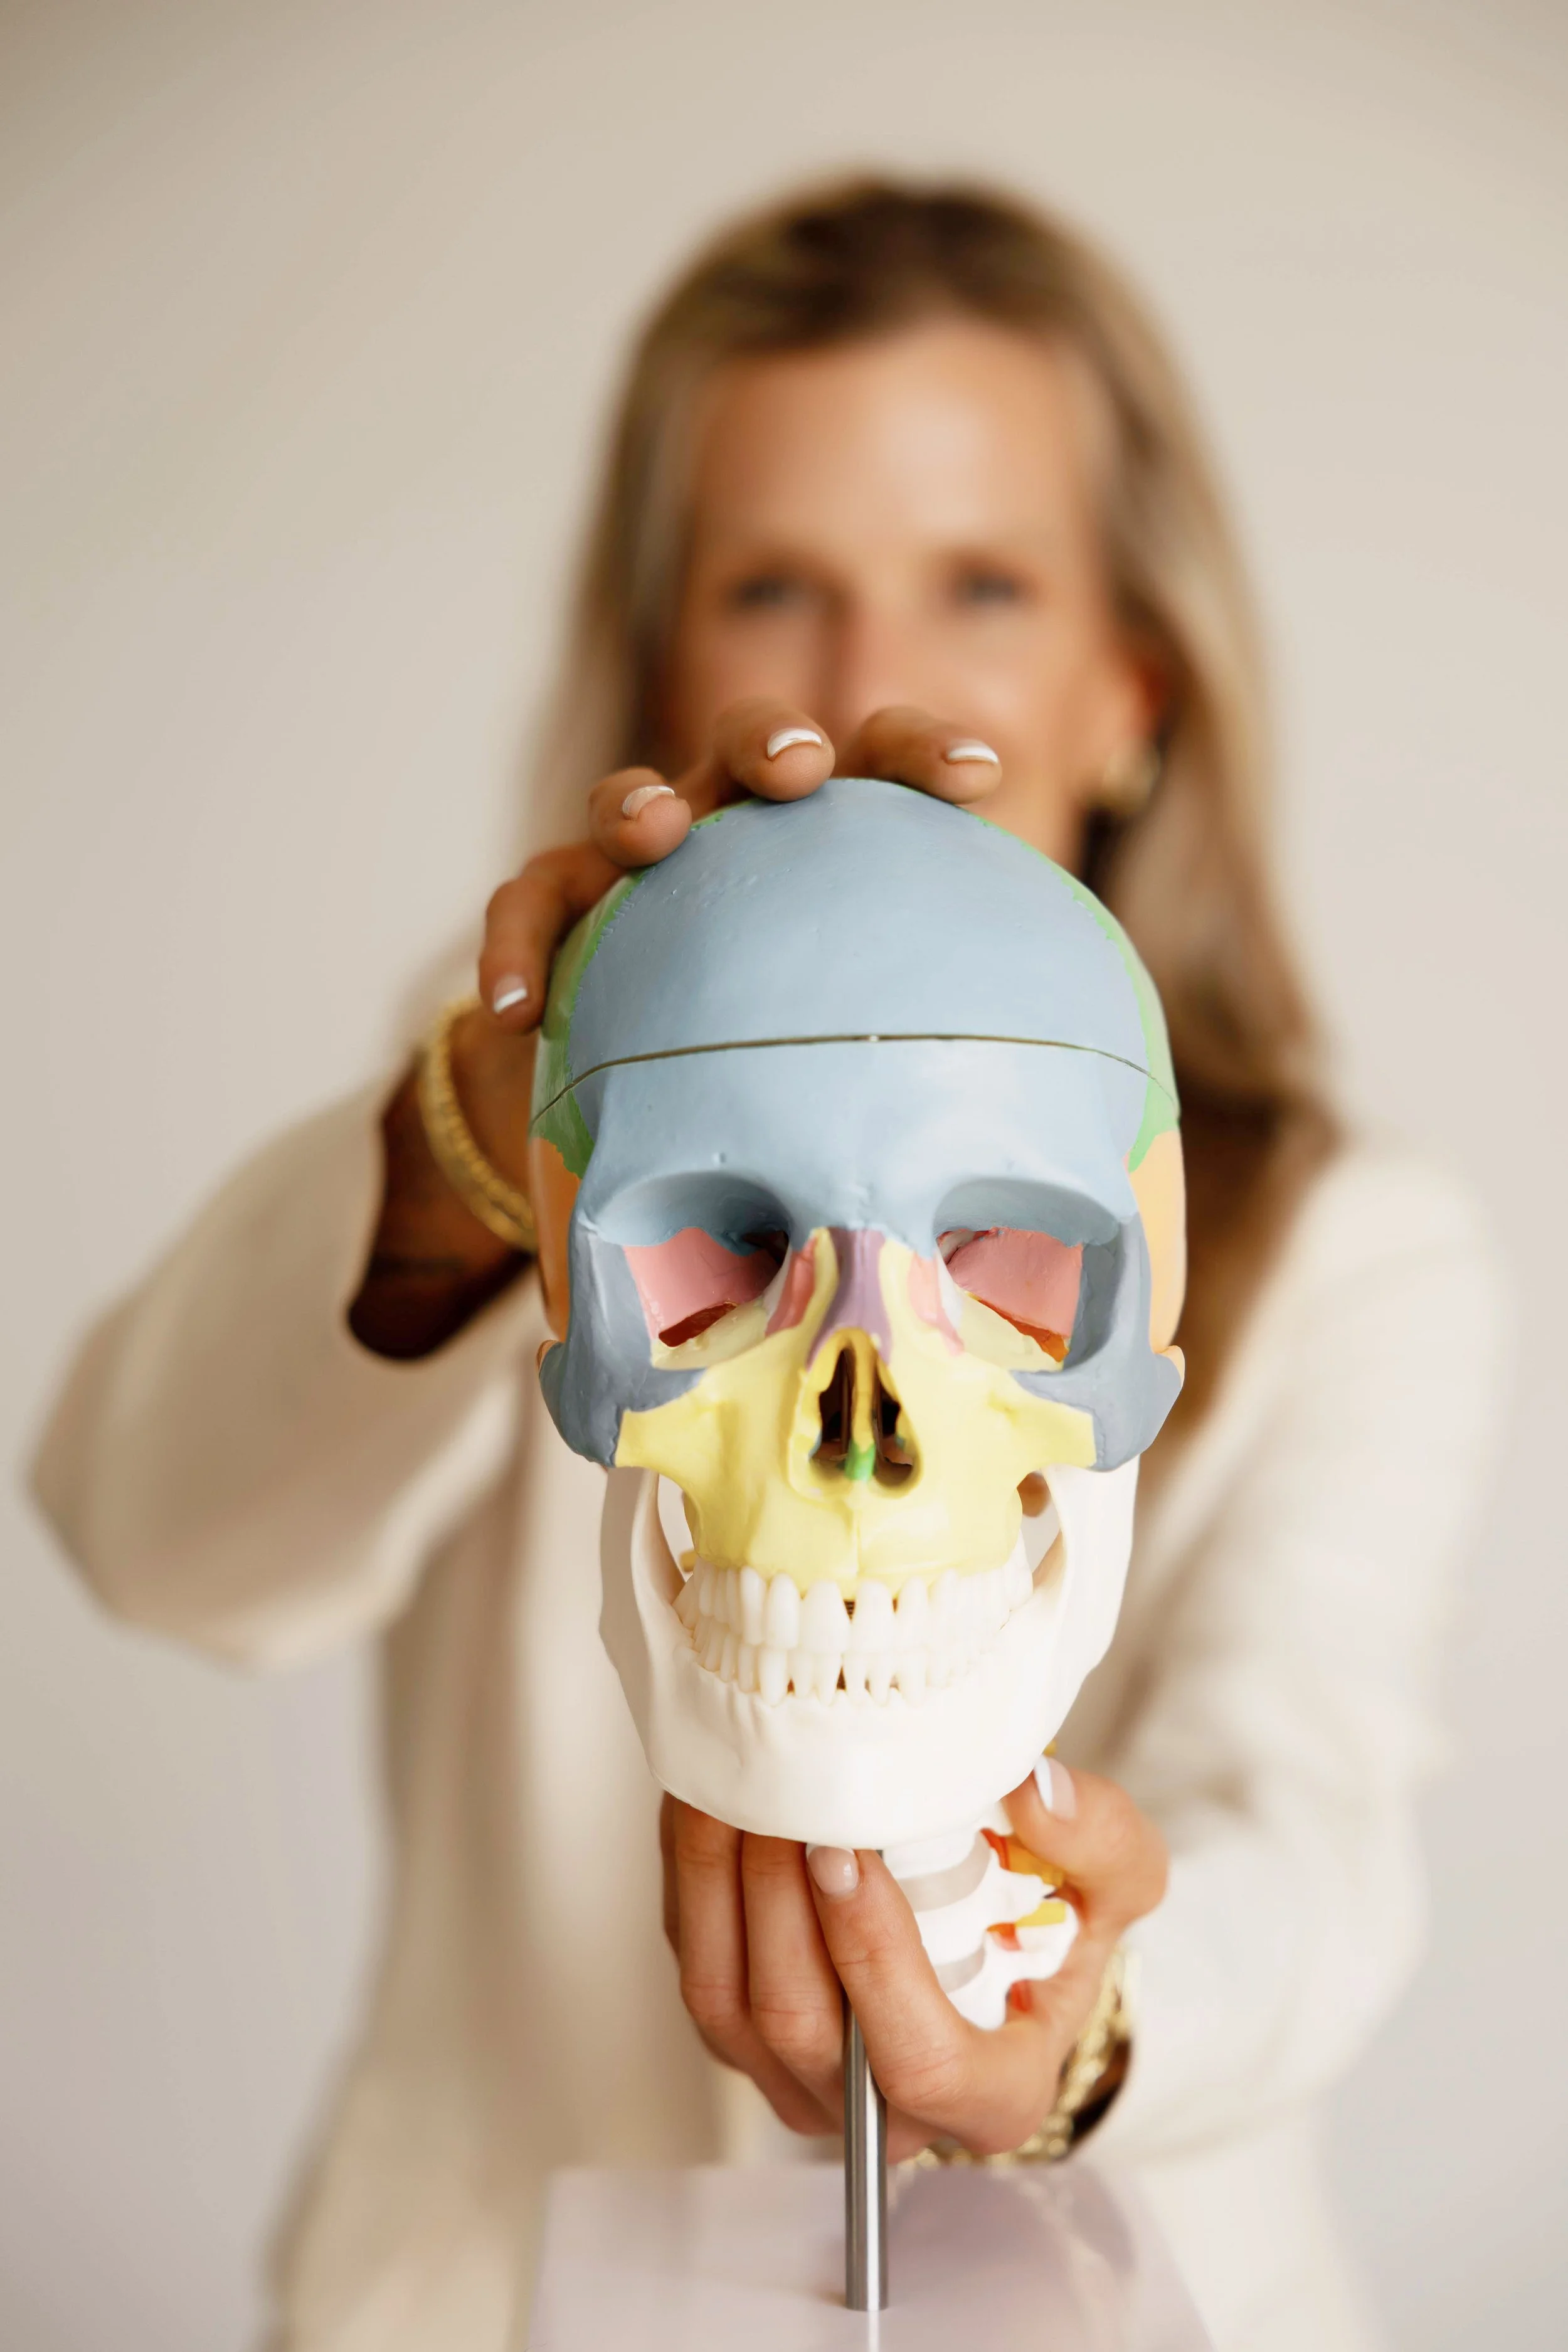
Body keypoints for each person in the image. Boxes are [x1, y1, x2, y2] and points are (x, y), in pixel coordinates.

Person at [33, 179, 1500, 2352]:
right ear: (662, 669)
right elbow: (154, 1539)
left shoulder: (1369, 1256)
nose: (868, 681)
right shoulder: (516, 1135)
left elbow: (1315, 1816)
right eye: (770, 587)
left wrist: (1079, 2020)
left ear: (1129, 690)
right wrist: (472, 1150)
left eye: (977, 581)